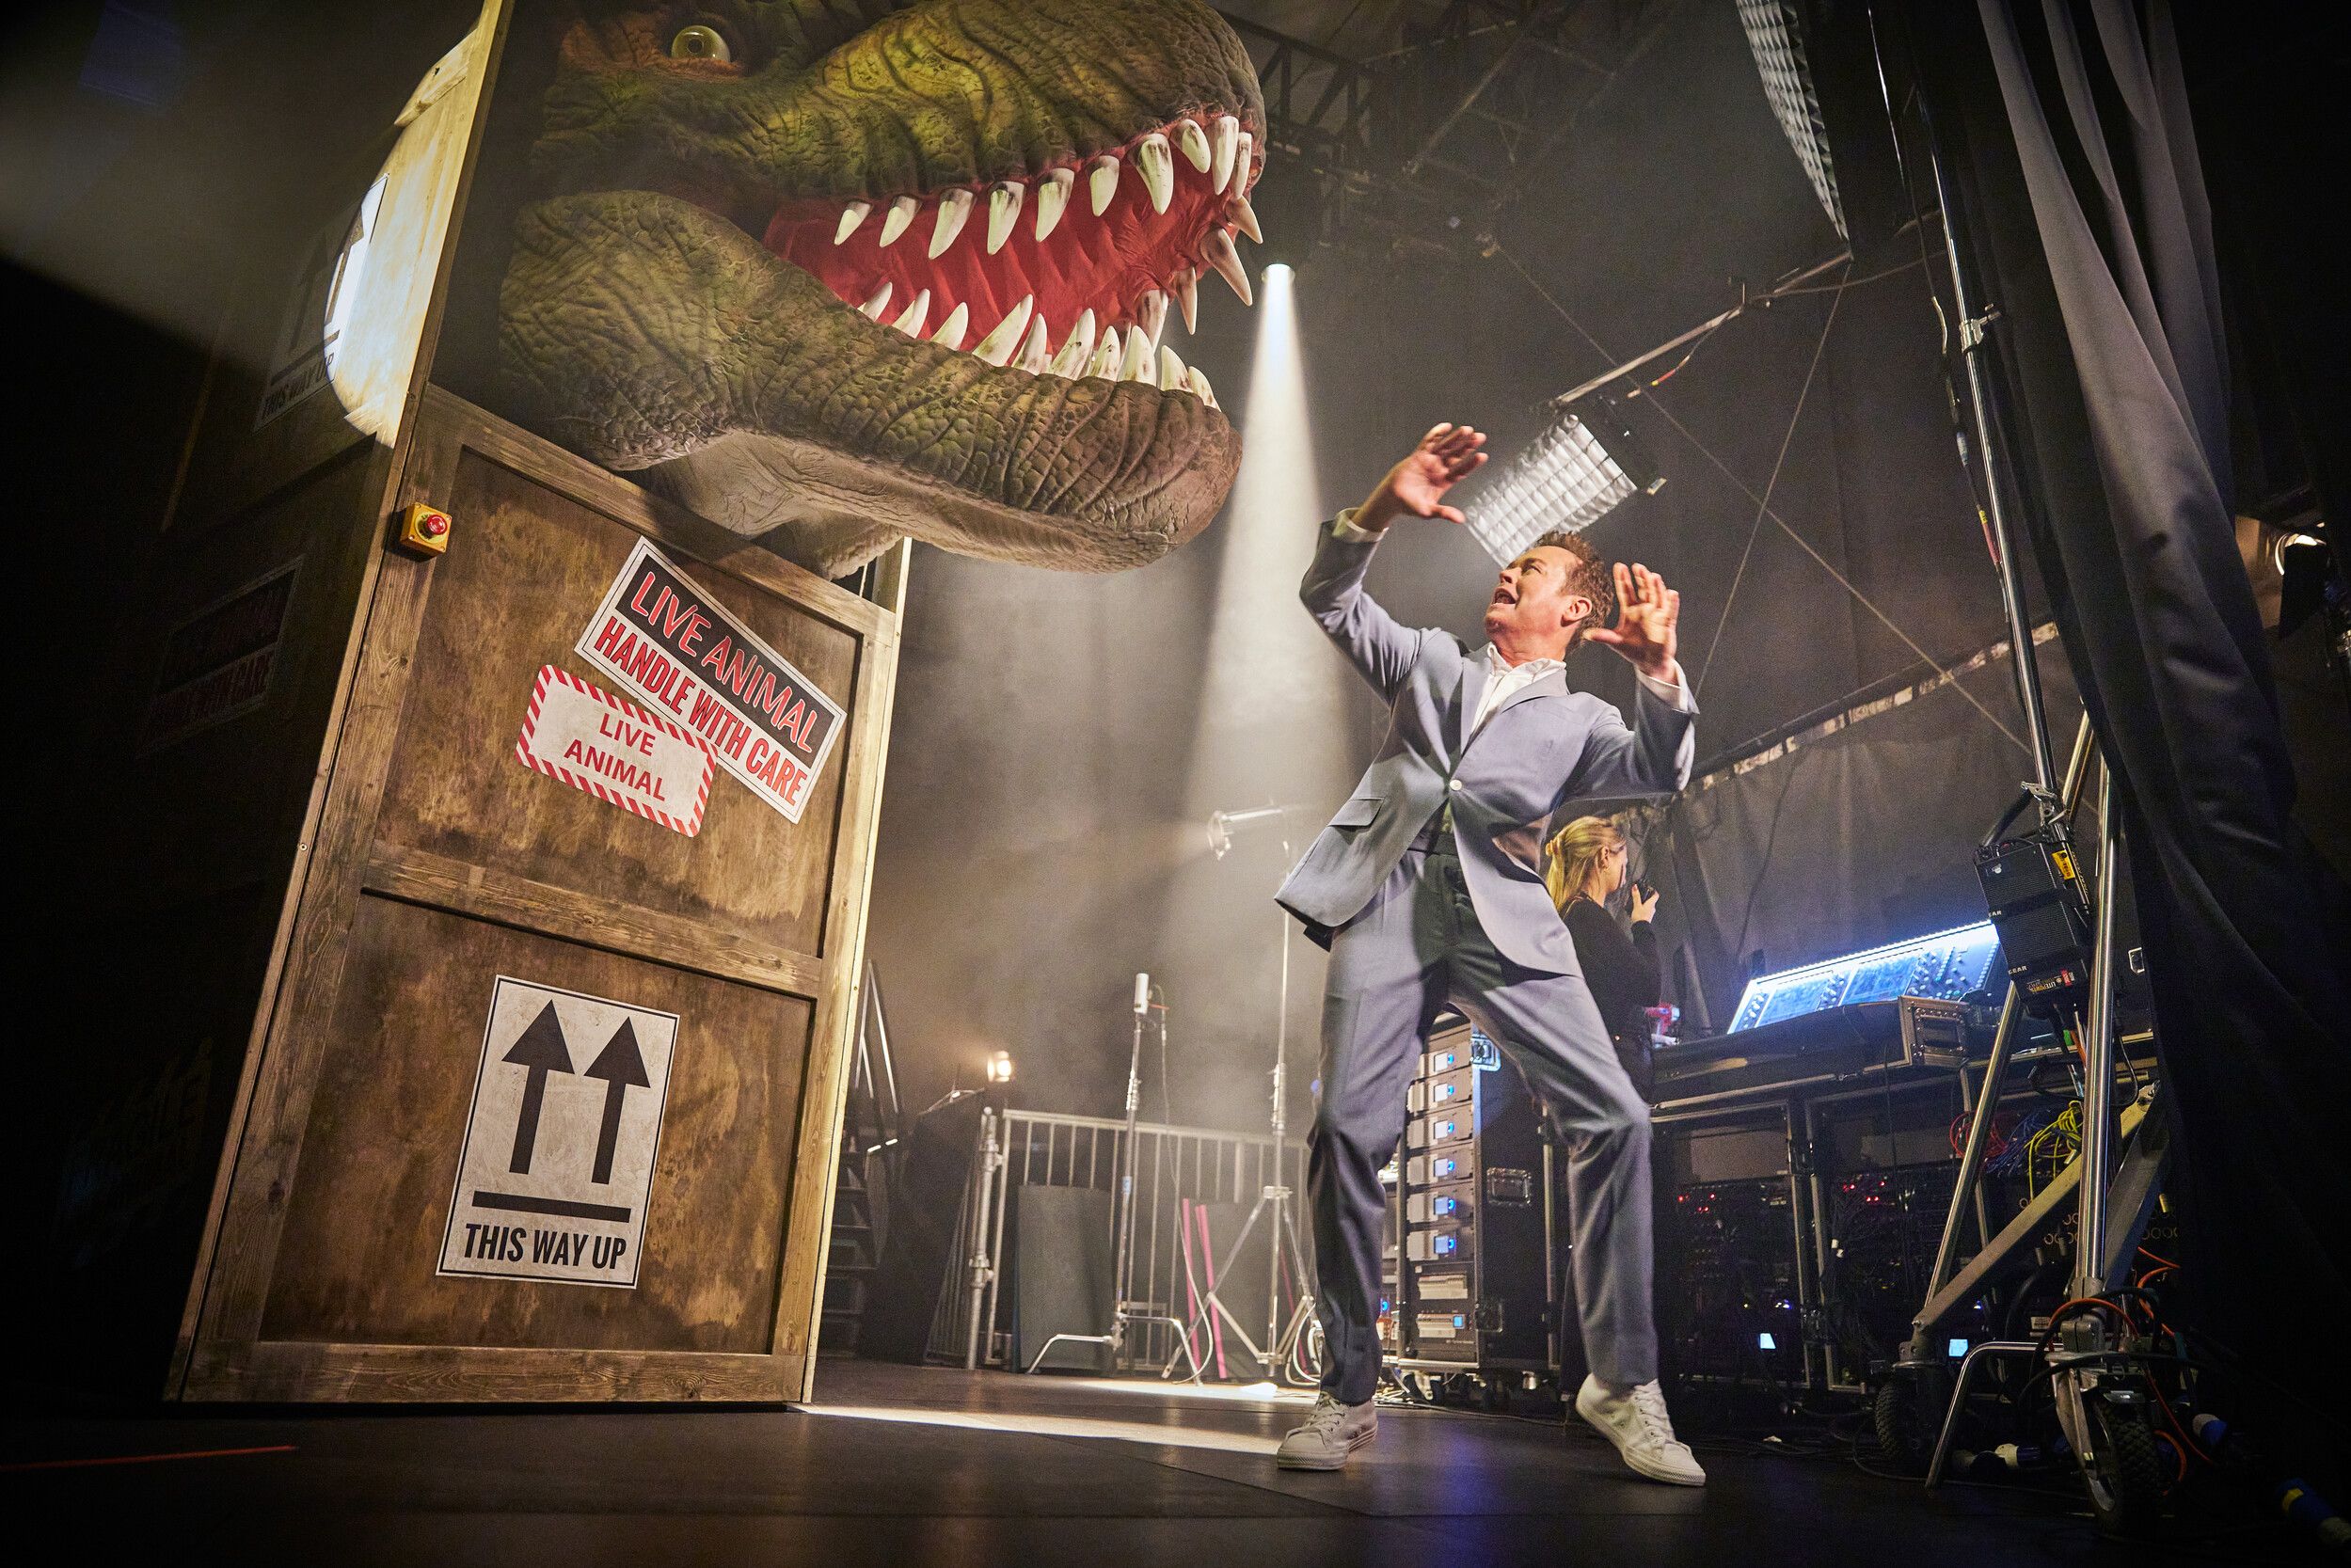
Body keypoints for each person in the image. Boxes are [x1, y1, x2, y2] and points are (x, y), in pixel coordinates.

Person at [1271, 422, 1706, 1485]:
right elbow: (1328, 597)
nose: (1509, 573)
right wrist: (1377, 505)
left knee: (1617, 1115)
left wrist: (1661, 670)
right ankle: (1348, 1389)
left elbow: (1661, 768)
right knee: (1342, 1131)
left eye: (1537, 571)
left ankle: (1621, 1379)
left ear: (1576, 612)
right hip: (1392, 897)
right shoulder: (1426, 659)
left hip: (1510, 918)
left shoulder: (1589, 717)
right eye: (1511, 566)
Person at [1545, 816, 1663, 1102]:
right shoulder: (1586, 917)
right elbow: (1649, 987)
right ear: (1603, 856)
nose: (1625, 868)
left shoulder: (1569, 916)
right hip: (1616, 1071)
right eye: (1623, 857)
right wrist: (1642, 924)